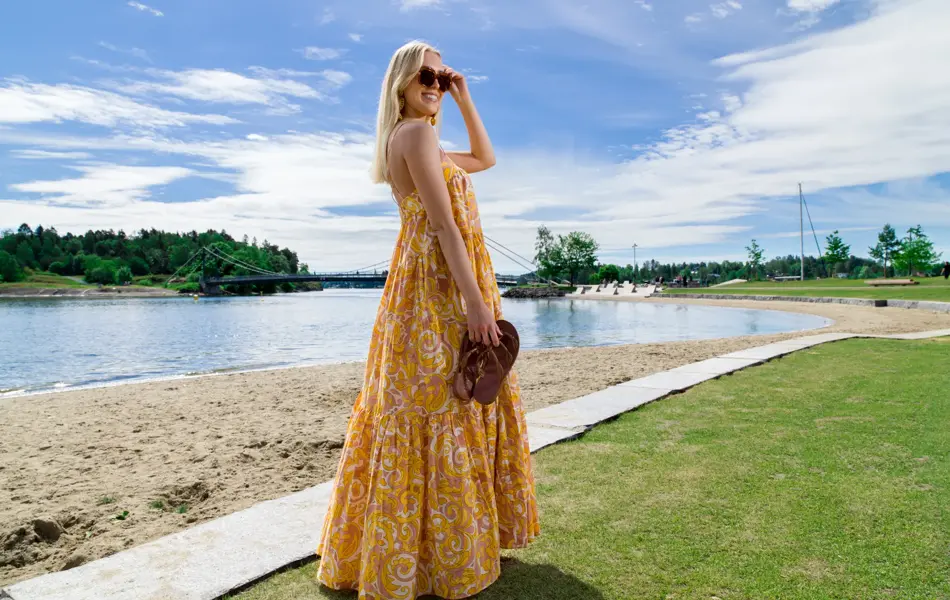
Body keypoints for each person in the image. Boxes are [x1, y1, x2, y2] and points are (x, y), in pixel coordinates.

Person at [316, 41, 539, 599]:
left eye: (440, 74)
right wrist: (476, 302)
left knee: (435, 402)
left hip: (430, 285)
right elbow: (443, 227)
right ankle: (440, 560)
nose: (434, 81)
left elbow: (485, 160)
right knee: (442, 405)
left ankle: (423, 556)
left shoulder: (424, 138)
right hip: (438, 288)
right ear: (399, 83)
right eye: (425, 75)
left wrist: (464, 96)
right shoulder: (413, 135)